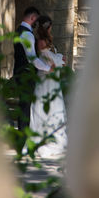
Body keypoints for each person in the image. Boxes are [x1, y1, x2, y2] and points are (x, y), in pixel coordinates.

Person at [30, 15, 68, 158]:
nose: (51, 29)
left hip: (52, 78)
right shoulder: (40, 41)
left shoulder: (47, 40)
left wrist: (60, 58)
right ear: (46, 27)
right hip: (46, 77)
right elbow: (45, 59)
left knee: (55, 104)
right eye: (50, 26)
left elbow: (52, 57)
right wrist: (58, 61)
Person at [13, 7, 54, 131]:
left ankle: (23, 134)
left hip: (20, 72)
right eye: (37, 19)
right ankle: (23, 137)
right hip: (26, 75)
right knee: (25, 106)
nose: (38, 22)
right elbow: (32, 59)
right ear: (32, 18)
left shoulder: (19, 30)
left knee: (24, 105)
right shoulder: (26, 34)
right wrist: (47, 68)